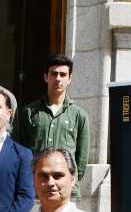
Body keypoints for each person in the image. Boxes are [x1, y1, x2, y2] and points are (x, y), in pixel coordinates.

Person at [12, 54, 90, 203]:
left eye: (63, 74)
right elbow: (18, 149)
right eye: (54, 74)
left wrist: (68, 180)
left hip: (66, 193)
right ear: (46, 77)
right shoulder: (28, 113)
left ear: (70, 78)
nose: (58, 78)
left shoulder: (79, 115)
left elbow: (81, 161)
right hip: (34, 191)